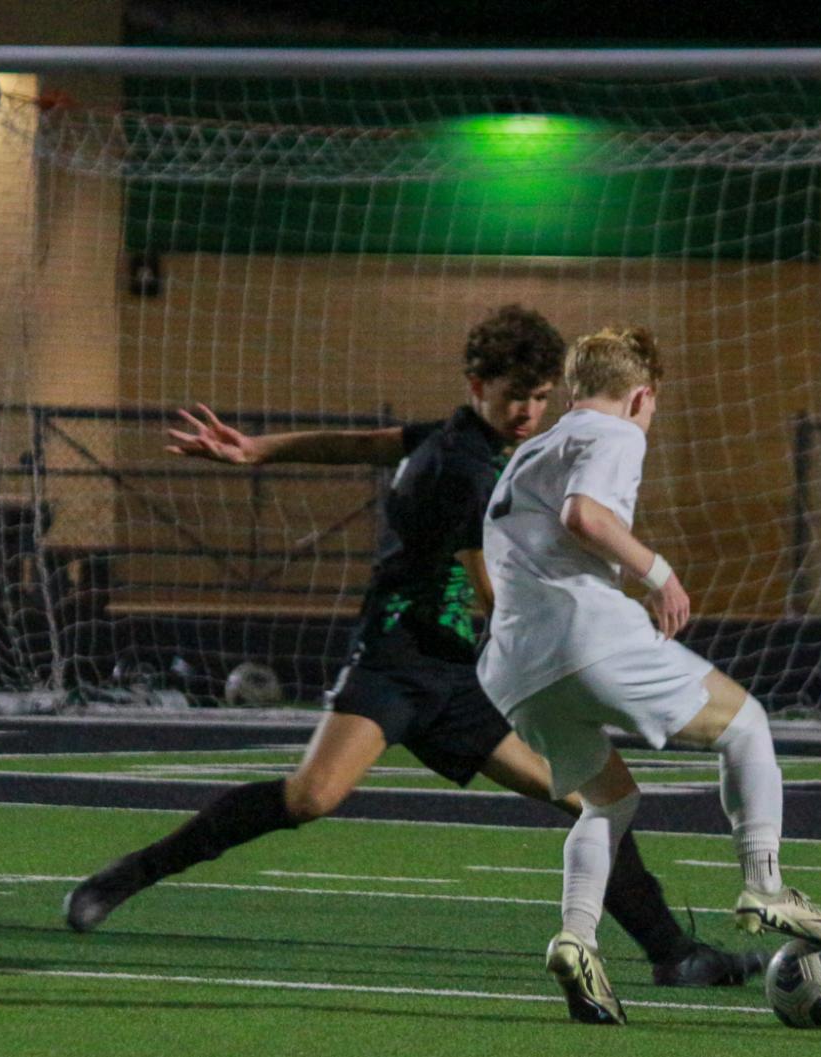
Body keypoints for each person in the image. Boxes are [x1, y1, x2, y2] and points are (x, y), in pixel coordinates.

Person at [62, 305, 762, 990]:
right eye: (514, 395)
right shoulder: (463, 467)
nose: (528, 410)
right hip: (399, 658)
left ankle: (672, 951)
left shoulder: (474, 443)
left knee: (589, 801)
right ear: (476, 386)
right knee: (310, 797)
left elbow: (367, 442)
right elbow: (493, 591)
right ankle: (128, 874)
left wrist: (259, 449)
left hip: (464, 674)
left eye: (541, 397)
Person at [479, 325, 821, 1027]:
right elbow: (583, 514)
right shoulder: (617, 432)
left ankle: (576, 939)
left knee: (607, 802)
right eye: (651, 406)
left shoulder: (531, 449)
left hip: (512, 666)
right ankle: (764, 884)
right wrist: (657, 573)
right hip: (581, 634)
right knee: (745, 724)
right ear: (641, 394)